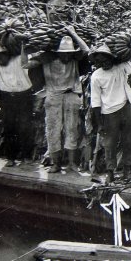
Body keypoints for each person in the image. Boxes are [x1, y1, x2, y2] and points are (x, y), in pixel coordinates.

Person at [23, 26, 90, 173]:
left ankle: (72, 163)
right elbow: (25, 64)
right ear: (57, 52)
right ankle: (56, 164)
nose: (66, 56)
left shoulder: (74, 59)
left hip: (71, 94)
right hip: (53, 95)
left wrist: (73, 33)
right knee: (53, 129)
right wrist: (24, 47)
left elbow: (86, 51)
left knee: (72, 128)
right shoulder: (47, 59)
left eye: (68, 53)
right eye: (63, 53)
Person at [0, 40, 35, 166]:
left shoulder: (18, 59)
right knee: (9, 127)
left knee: (25, 127)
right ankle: (11, 157)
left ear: (6, 53)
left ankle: (26, 156)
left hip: (24, 96)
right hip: (7, 98)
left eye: (0, 56)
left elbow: (25, 58)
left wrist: (21, 43)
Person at [89, 44, 131, 184]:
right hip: (108, 112)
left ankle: (128, 169)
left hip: (125, 107)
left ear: (111, 58)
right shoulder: (96, 76)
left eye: (106, 60)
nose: (104, 63)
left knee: (128, 140)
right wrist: (100, 123)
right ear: (97, 63)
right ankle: (110, 171)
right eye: (100, 62)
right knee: (110, 143)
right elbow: (95, 101)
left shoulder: (121, 67)